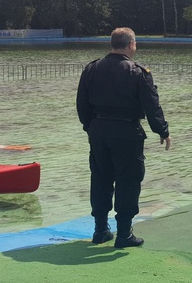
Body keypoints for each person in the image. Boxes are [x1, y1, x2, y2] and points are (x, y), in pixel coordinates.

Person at [76, 27, 172, 248]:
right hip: (127, 132)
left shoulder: (91, 69)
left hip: (98, 131)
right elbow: (152, 107)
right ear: (131, 44)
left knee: (100, 179)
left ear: (112, 44)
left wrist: (90, 127)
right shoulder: (138, 72)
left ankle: (100, 230)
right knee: (128, 181)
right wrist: (163, 131)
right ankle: (124, 234)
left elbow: (82, 104)